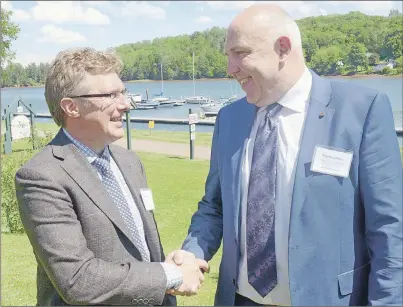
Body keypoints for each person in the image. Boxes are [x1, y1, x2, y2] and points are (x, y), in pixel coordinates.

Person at [168, 4, 403, 306]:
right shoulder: (229, 119)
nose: (230, 68)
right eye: (228, 56)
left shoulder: (360, 110)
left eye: (240, 53)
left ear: (283, 48)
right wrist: (192, 252)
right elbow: (214, 207)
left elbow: (389, 227)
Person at [15, 47, 207, 306]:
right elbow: (78, 280)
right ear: (71, 107)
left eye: (123, 92)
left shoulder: (129, 162)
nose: (125, 104)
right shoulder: (42, 176)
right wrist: (169, 275)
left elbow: (141, 247)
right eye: (110, 95)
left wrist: (165, 264)